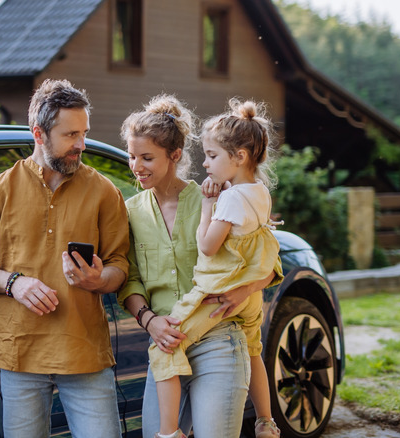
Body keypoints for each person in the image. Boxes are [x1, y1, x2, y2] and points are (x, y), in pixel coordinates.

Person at [0, 78, 130, 438]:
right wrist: (13, 283)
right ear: (39, 133)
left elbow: (120, 266)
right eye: (70, 135)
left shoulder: (105, 192)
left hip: (83, 351)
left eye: (83, 133)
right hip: (19, 352)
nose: (81, 144)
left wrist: (99, 280)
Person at [117, 95, 283, 438]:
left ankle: (266, 421)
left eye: (147, 158)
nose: (136, 166)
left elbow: (265, 261)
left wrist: (244, 290)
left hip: (220, 338)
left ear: (175, 156)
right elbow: (129, 279)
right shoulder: (130, 211)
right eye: (132, 156)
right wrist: (150, 321)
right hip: (166, 341)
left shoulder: (218, 196)